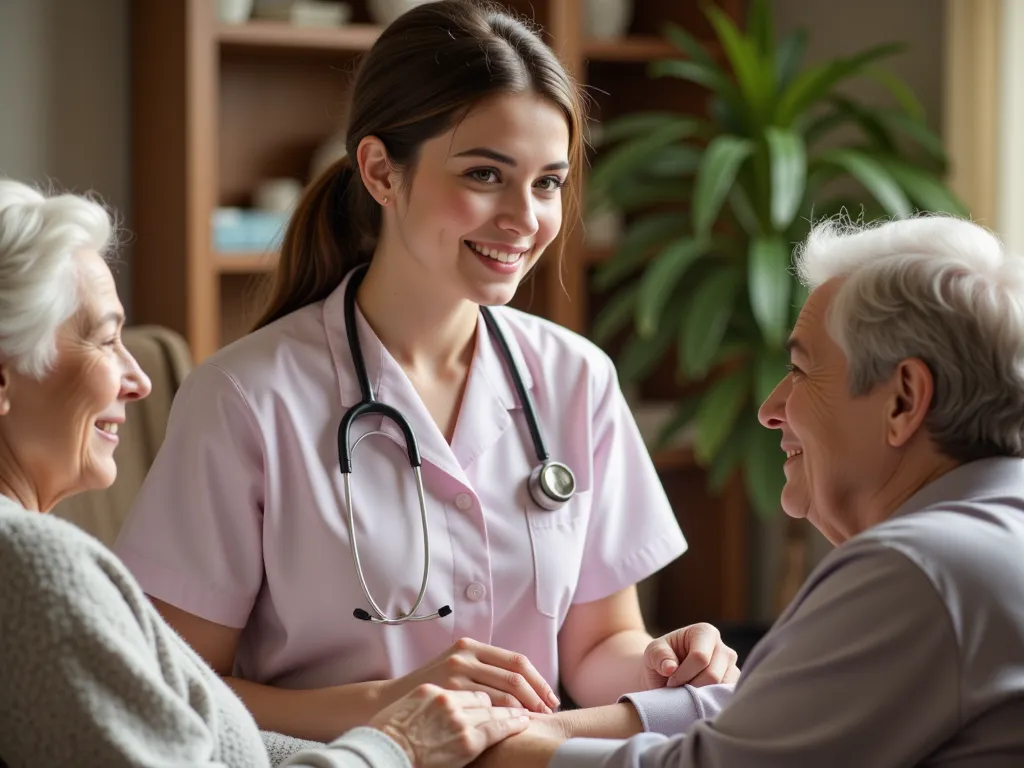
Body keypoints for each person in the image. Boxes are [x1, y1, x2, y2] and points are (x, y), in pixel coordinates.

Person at [111, 0, 738, 745]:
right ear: (380, 170)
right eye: (484, 174)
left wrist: (663, 666)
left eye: (547, 183)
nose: (524, 218)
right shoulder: (247, 399)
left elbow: (600, 646)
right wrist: (392, 708)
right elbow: (173, 688)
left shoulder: (578, 380)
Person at [0, 178, 532, 767]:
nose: (139, 378)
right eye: (104, 340)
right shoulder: (32, 563)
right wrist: (397, 745)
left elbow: (216, 751)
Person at [470, 213, 1024, 767]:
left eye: (803, 371)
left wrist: (491, 748)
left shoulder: (917, 569)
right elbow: (788, 728)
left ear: (903, 400)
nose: (770, 410)